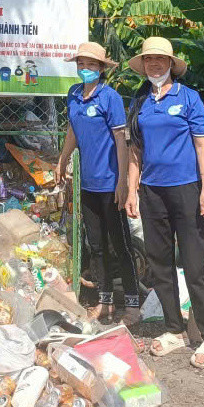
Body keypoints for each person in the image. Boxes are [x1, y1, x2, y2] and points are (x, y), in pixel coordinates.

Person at [124, 37, 204, 368]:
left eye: (159, 59)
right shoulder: (140, 102)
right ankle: (174, 330)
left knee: (195, 266)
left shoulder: (189, 98)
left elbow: (202, 147)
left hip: (187, 190)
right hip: (152, 193)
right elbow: (135, 151)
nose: (154, 64)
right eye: (148, 59)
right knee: (160, 264)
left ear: (171, 64)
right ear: (144, 64)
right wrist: (131, 190)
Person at [56, 42, 140, 324]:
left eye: (92, 65)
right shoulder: (73, 95)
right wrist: (61, 160)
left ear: (102, 69)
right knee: (96, 245)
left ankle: (132, 305)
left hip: (110, 184)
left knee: (121, 244)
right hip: (88, 185)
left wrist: (123, 182)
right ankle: (105, 303)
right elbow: (72, 131)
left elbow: (121, 140)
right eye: (81, 64)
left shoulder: (110, 98)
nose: (86, 69)